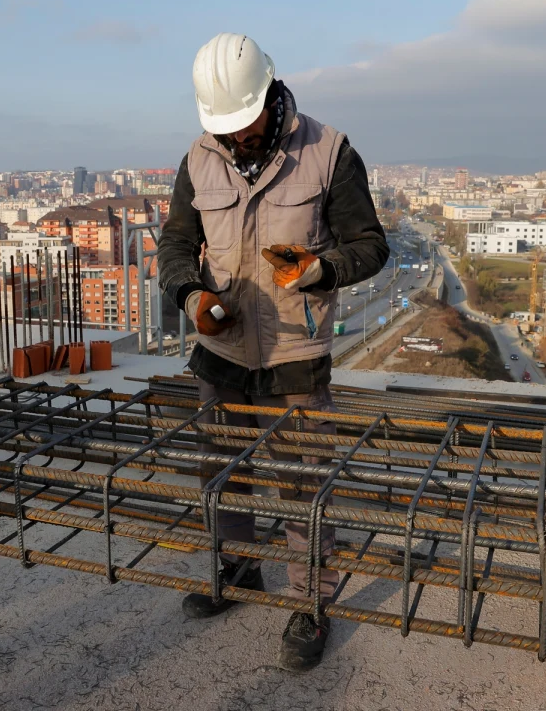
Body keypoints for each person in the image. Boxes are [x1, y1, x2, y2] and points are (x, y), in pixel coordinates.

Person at [157, 33, 389, 671]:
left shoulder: (329, 152)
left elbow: (370, 245)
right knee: (222, 471)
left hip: (294, 349)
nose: (237, 138)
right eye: (225, 128)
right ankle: (237, 572)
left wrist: (319, 269)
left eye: (245, 122)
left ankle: (311, 601)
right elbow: (175, 245)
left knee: (300, 481)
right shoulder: (199, 158)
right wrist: (190, 295)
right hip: (220, 349)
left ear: (271, 95)